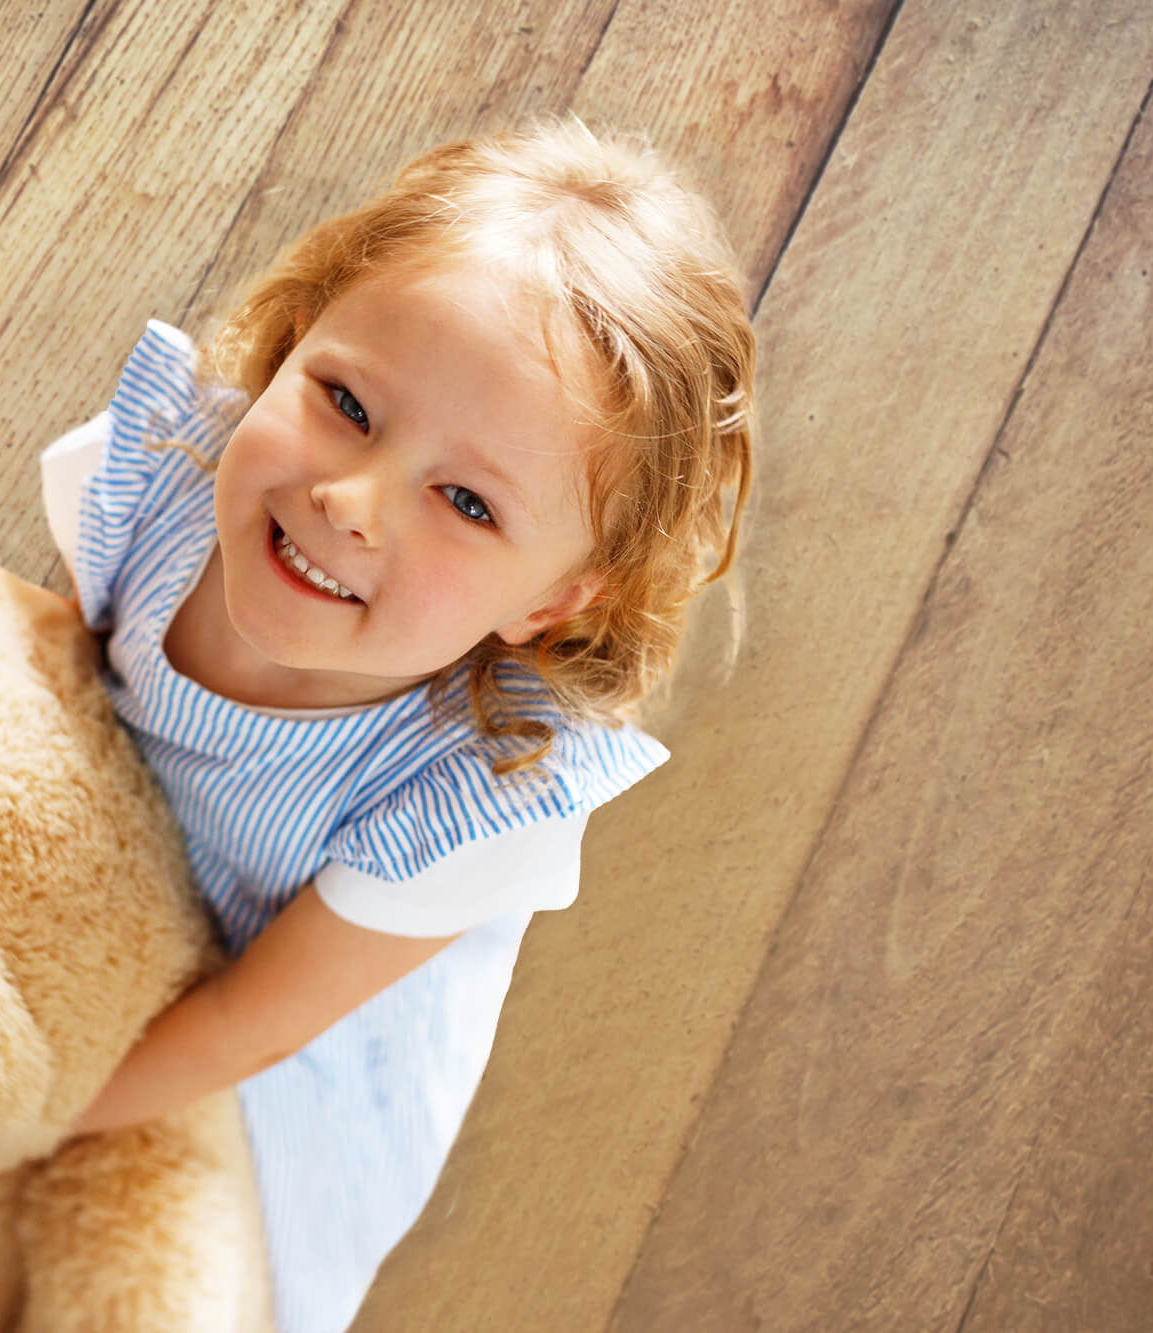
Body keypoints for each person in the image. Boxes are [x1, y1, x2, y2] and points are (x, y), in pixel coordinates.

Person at [37, 118, 755, 1333]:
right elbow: (56, 685)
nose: (349, 501)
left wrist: (20, 1120)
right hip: (114, 886)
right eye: (346, 403)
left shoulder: (466, 801)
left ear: (548, 601)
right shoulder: (151, 477)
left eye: (466, 500)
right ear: (287, 344)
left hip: (275, 1052)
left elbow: (245, 1024)